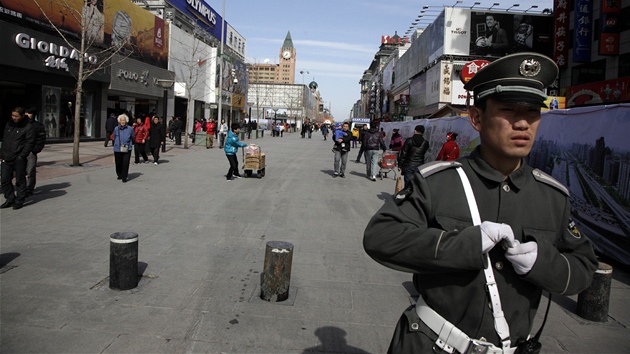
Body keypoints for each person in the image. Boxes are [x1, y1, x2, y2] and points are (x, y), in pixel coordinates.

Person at [363, 53, 598, 354]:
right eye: (508, 110)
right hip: (431, 344)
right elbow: (380, 236)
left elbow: (584, 267)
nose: (523, 122)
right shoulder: (437, 182)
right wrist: (464, 244)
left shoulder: (552, 197)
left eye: (531, 111)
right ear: (476, 118)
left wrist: (544, 263)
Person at [1, 107, 34, 210]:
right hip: (6, 157)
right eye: (12, 115)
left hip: (19, 158)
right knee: (5, 179)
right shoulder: (9, 124)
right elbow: (5, 139)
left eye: (16, 116)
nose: (13, 117)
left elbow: (30, 143)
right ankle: (10, 198)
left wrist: (21, 156)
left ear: (22, 116)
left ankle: (19, 200)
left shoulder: (28, 127)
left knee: (20, 180)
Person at [398, 125, 429, 190]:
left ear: (415, 131)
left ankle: (407, 197)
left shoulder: (409, 140)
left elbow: (403, 154)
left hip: (408, 164)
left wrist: (400, 165)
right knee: (417, 184)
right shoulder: (425, 143)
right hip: (420, 165)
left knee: (408, 183)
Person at [25, 107, 47, 197]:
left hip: (30, 152)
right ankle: (22, 188)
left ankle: (29, 189)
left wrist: (34, 150)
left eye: (29, 113)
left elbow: (41, 139)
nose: (26, 114)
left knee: (30, 171)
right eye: (25, 112)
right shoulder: (20, 125)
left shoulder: (38, 126)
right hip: (19, 151)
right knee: (20, 171)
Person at [113, 114, 134, 183]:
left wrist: (129, 143)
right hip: (117, 148)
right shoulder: (116, 128)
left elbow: (132, 137)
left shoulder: (130, 129)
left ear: (126, 121)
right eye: (121, 120)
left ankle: (124, 177)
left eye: (124, 120)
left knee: (125, 163)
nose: (122, 121)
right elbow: (114, 137)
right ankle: (119, 174)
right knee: (118, 163)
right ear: (119, 121)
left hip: (127, 148)